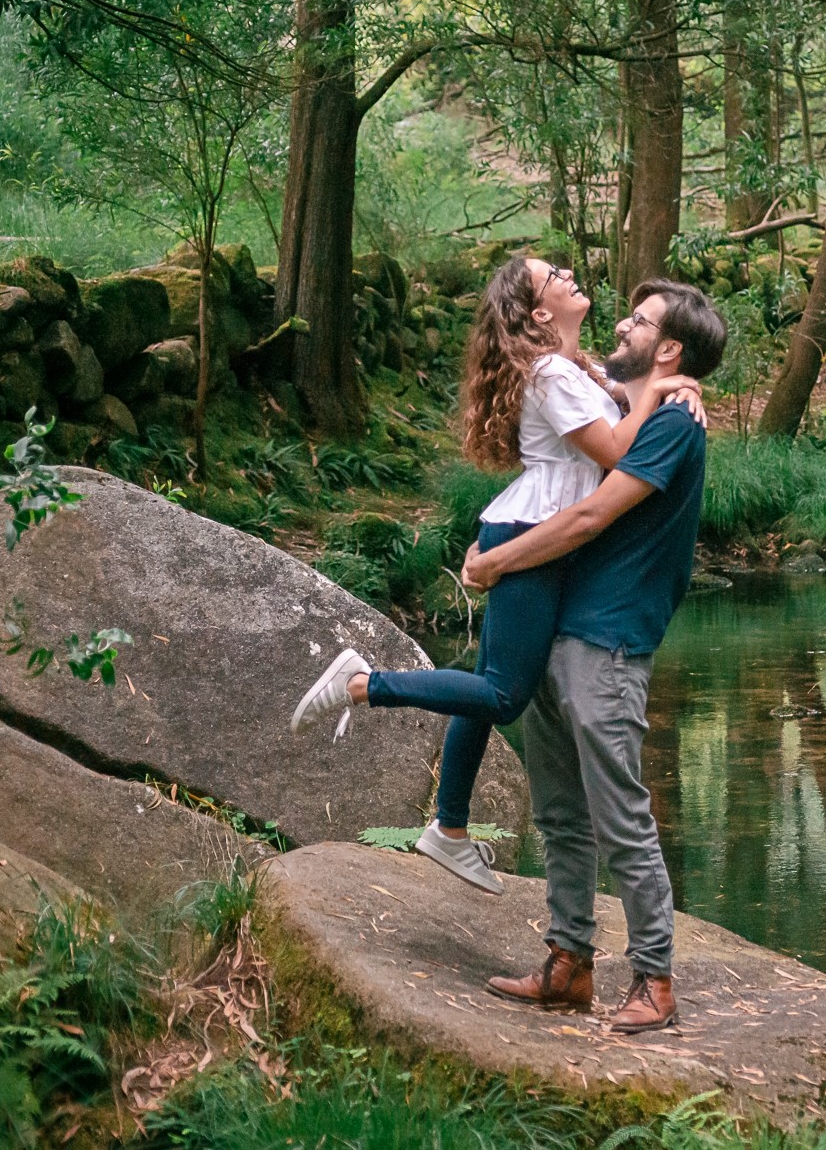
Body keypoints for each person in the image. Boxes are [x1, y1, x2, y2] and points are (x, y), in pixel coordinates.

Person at [287, 257, 703, 895]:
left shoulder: (575, 370)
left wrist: (678, 385)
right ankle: (365, 684)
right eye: (552, 276)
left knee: (486, 684)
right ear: (539, 312)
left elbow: (623, 396)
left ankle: (449, 829)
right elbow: (618, 448)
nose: (567, 274)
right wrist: (657, 391)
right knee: (504, 694)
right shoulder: (550, 374)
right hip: (537, 531)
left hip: (539, 529)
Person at [464, 278, 725, 1034]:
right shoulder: (624, 400)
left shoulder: (674, 423)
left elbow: (587, 518)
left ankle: (654, 979)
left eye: (638, 321)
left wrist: (495, 565)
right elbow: (574, 404)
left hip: (608, 637)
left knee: (619, 812)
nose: (622, 322)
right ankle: (568, 962)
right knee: (560, 811)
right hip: (559, 625)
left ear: (668, 348)